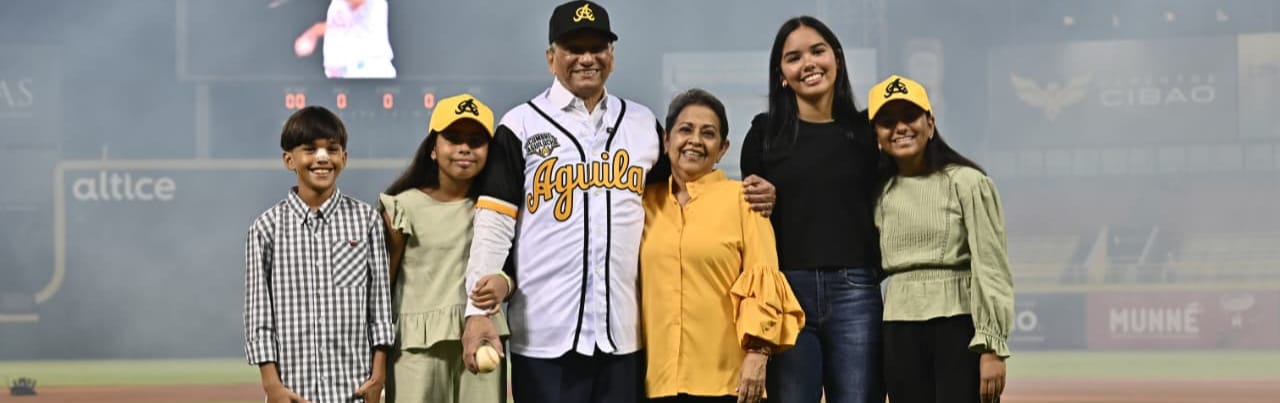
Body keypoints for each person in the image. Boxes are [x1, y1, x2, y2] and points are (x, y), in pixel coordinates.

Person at [457, 2, 776, 402]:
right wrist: (477, 312)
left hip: (624, 341)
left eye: (597, 47)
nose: (587, 58)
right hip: (543, 338)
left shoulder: (641, 124)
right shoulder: (520, 124)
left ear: (612, 56)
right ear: (551, 57)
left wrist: (758, 192)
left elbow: (685, 193)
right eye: (574, 48)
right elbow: (495, 221)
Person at [739, 16, 883, 403]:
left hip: (856, 291)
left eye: (818, 51)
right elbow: (751, 220)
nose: (809, 63)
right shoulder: (764, 134)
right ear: (782, 76)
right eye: (794, 57)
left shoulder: (868, 132)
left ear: (837, 58)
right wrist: (766, 198)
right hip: (787, 292)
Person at [640, 89, 804, 403]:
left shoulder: (745, 200)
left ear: (722, 148)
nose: (695, 140)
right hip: (656, 382)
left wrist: (758, 353)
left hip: (729, 382)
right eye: (685, 130)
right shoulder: (643, 204)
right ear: (666, 140)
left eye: (708, 133)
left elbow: (764, 279)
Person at [867, 74, 1013, 403]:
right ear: (876, 135)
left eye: (910, 117)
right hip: (898, 327)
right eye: (888, 122)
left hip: (958, 324)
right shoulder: (878, 193)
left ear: (930, 124)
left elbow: (991, 267)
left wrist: (992, 347)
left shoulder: (968, 183)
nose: (900, 128)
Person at [244, 105, 394, 403]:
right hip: (293, 392)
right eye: (310, 149)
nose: (323, 158)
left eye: (332, 149)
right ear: (289, 159)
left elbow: (380, 307)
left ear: (344, 158)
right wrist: (272, 387)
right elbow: (259, 316)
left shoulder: (366, 221)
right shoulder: (265, 228)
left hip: (354, 390)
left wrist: (378, 377)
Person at [378, 94, 509, 403]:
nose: (464, 148)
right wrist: (376, 354)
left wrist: (506, 282)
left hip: (483, 337)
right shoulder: (403, 207)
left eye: (476, 141)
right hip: (415, 347)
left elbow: (515, 269)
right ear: (433, 149)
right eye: (453, 138)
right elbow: (382, 288)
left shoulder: (498, 211)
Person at [294, 0, 397, 79]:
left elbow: (357, 1)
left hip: (367, 71)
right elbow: (338, 24)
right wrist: (313, 32)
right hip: (340, 75)